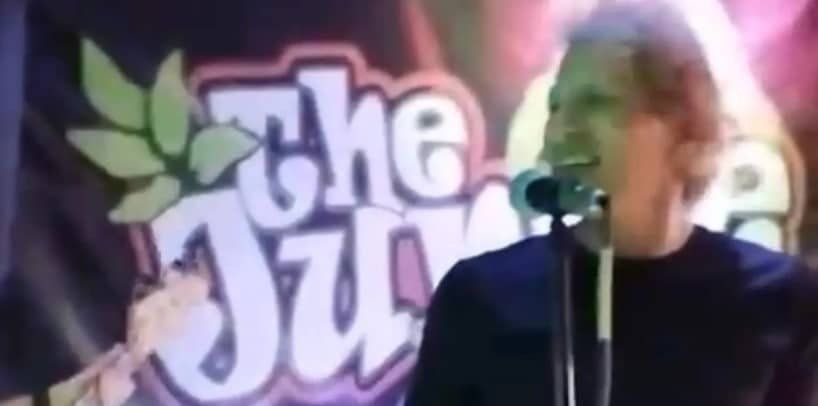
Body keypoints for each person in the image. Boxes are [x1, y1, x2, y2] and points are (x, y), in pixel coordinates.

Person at [405, 2, 818, 405]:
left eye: (596, 102)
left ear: (688, 131)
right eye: (556, 106)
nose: (560, 131)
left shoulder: (781, 298)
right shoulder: (479, 296)